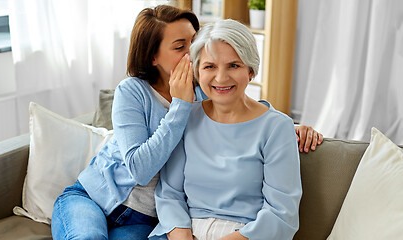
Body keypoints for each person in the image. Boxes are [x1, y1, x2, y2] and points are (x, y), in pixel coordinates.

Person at [51, 5, 320, 240]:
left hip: (145, 218)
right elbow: (140, 170)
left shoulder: (203, 89)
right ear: (153, 57)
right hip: (94, 198)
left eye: (195, 41)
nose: (194, 52)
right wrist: (180, 106)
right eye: (181, 47)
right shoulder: (134, 92)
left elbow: (236, 107)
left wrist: (288, 127)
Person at [149, 19, 302, 240]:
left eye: (234, 65)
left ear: (250, 70)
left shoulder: (277, 127)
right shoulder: (186, 117)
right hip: (182, 231)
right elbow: (169, 194)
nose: (221, 78)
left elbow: (281, 214)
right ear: (197, 72)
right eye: (210, 66)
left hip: (244, 234)